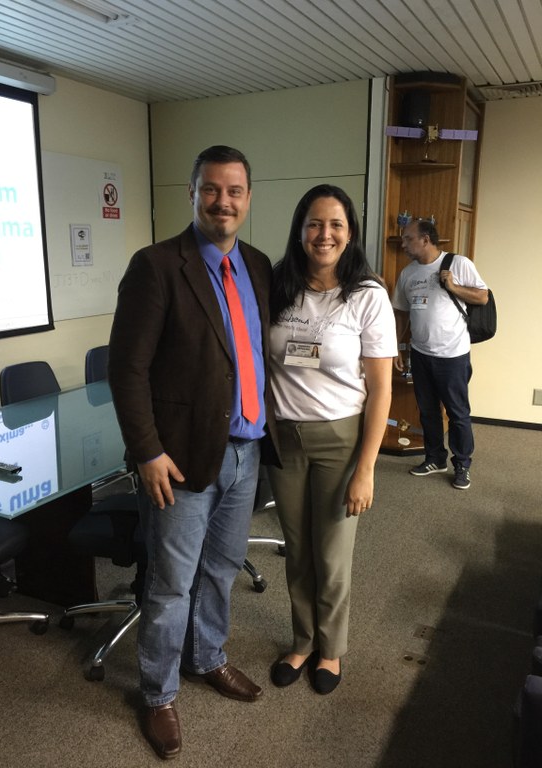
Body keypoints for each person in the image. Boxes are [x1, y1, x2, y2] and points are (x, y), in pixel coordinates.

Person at [107, 145, 279, 760]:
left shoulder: (257, 265)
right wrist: (146, 450)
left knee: (221, 570)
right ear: (193, 193)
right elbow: (127, 369)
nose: (223, 202)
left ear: (248, 198)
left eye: (234, 191)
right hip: (178, 459)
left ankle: (208, 658)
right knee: (171, 583)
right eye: (211, 189)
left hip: (246, 451)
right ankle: (157, 694)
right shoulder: (156, 266)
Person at [267, 184, 396, 695]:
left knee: (332, 553)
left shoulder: (367, 296)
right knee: (297, 552)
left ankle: (331, 649)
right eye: (314, 224)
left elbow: (382, 389)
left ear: (350, 233)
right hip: (284, 439)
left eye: (336, 225)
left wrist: (366, 468)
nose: (324, 235)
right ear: (300, 231)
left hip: (341, 440)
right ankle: (302, 641)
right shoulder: (277, 286)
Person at [392, 218, 489, 490]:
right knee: (427, 411)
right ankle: (435, 458)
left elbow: (482, 297)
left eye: (408, 238)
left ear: (425, 239)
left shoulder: (458, 263)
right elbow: (400, 312)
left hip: (453, 355)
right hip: (421, 354)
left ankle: (462, 464)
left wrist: (454, 287)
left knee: (457, 413)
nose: (403, 244)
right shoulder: (407, 273)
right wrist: (397, 346)